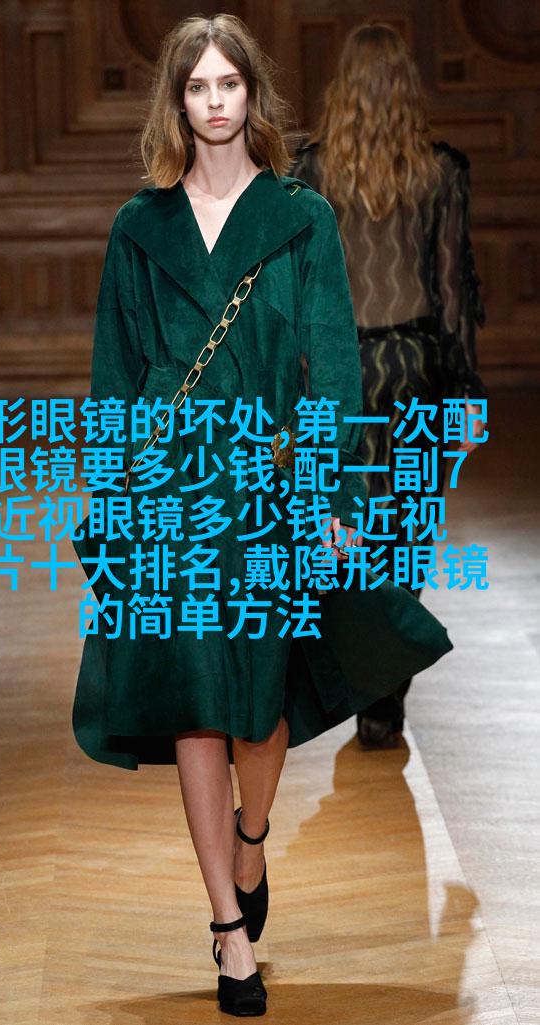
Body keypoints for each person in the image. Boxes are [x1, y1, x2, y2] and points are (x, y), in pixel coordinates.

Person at [71, 14, 453, 1017]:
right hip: (171, 492)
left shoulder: (299, 217)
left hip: (268, 484)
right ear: (176, 101)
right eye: (195, 86)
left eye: (227, 84)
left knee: (260, 704)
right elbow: (113, 376)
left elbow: (330, 368)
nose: (213, 102)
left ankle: (251, 838)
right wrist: (110, 499)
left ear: (251, 96)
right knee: (197, 703)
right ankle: (227, 929)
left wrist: (329, 497)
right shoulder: (138, 227)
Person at [290, 22, 487, 750]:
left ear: (341, 87)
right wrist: (467, 394)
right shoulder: (440, 171)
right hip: (415, 369)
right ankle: (383, 697)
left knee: (346, 524)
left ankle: (366, 677)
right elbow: (452, 289)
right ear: (407, 87)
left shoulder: (310, 172)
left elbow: (298, 293)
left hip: (336, 371)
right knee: (409, 527)